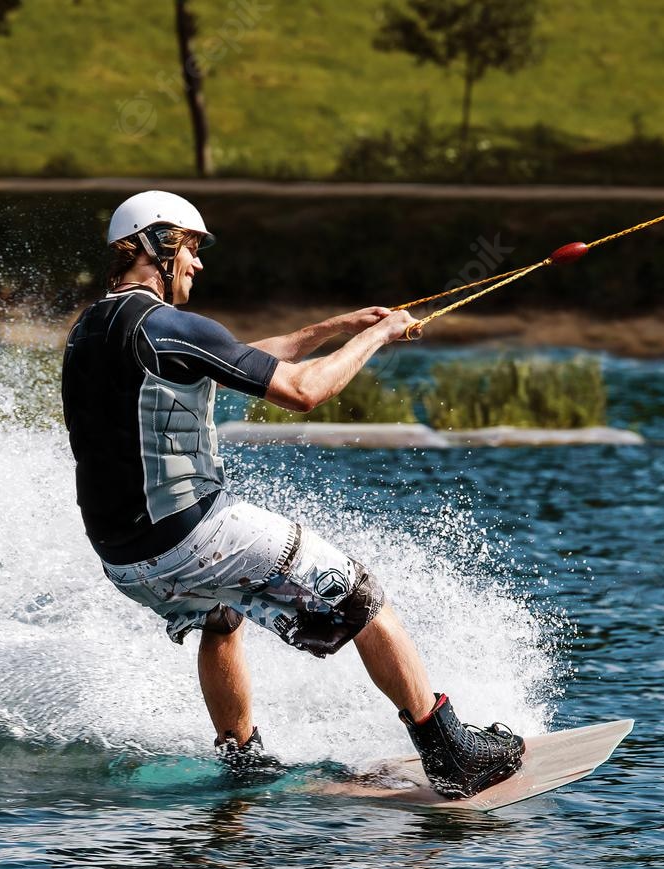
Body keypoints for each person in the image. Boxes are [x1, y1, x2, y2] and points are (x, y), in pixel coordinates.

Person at [58, 191, 525, 798]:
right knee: (360, 595)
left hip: (124, 558)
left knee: (221, 618)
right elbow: (303, 392)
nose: (197, 265)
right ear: (158, 246)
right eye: (192, 249)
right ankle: (450, 751)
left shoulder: (89, 330)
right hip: (192, 533)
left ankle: (242, 762)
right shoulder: (165, 324)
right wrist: (380, 335)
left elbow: (236, 359)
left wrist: (332, 329)